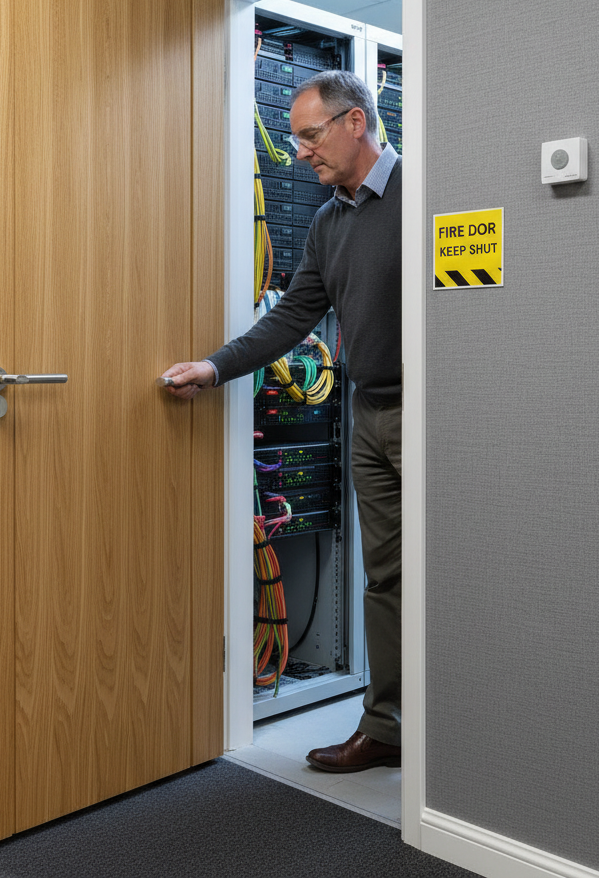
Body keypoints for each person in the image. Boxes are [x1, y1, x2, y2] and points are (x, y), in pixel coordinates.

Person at [162, 70, 402, 774]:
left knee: (454, 569)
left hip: (432, 412)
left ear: (355, 122)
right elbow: (294, 316)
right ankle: (386, 726)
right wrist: (214, 368)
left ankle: (469, 746)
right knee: (386, 578)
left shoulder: (427, 194)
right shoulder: (329, 222)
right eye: (295, 138)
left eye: (309, 135)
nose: (299, 152)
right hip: (369, 415)